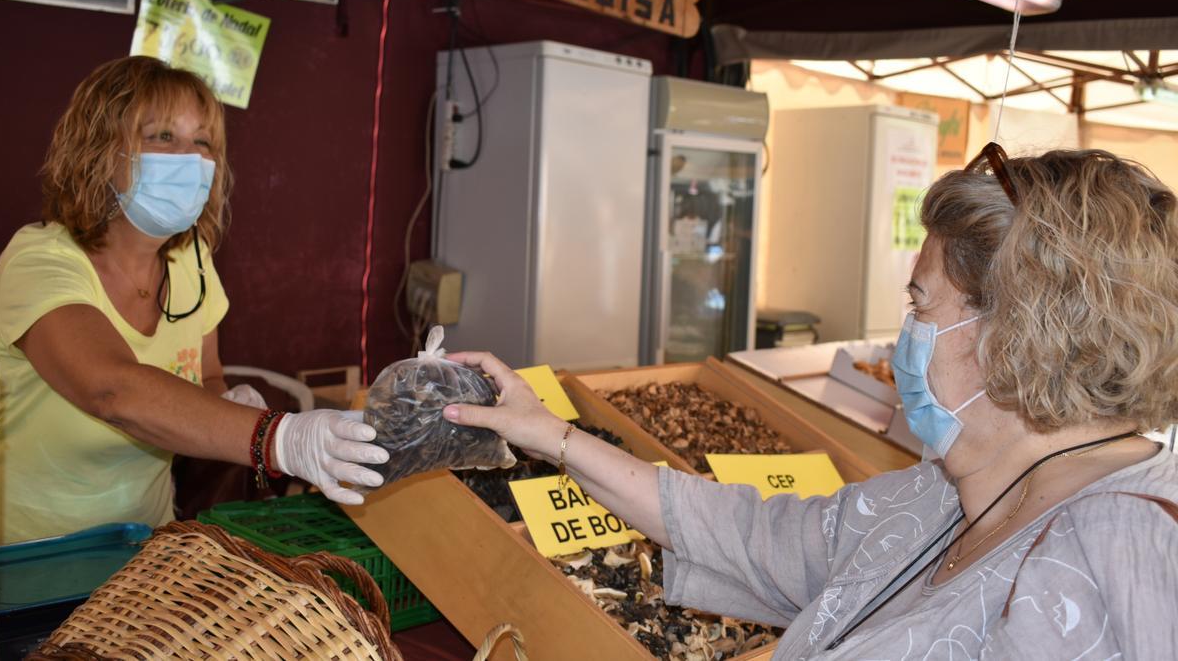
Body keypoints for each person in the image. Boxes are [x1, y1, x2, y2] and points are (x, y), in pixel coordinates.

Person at [445, 145, 1178, 658]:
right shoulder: (946, 494)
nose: (903, 342)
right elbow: (747, 531)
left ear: (1011, 333)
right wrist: (553, 435)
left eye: (921, 306)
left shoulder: (1127, 547)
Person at [0, 57, 388, 546]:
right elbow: (111, 391)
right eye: (163, 137)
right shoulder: (38, 263)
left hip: (143, 549)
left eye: (203, 142)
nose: (190, 159)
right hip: (24, 563)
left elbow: (207, 376)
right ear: (101, 150)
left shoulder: (190, 261)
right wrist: (280, 438)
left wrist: (225, 401)